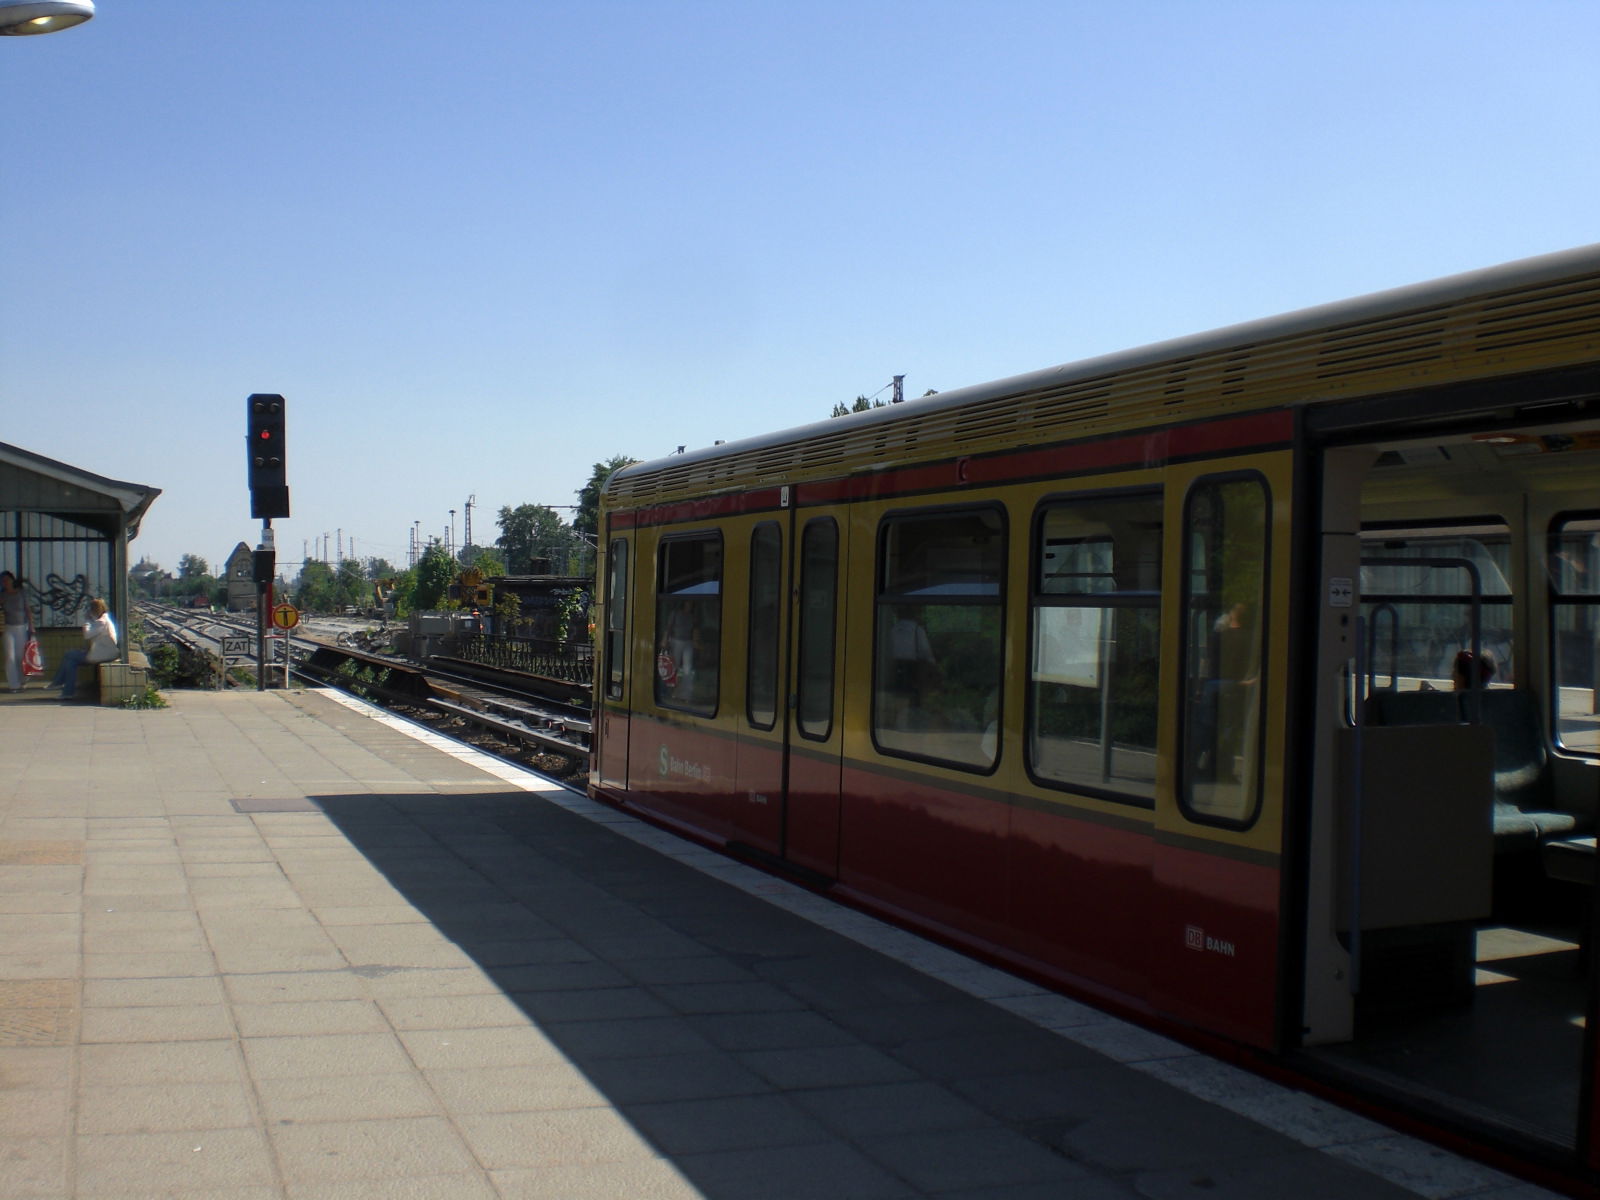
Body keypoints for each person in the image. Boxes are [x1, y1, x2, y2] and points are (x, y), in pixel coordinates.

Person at [50, 598, 118, 699]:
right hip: (104, 652)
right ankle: (63, 688)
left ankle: (61, 686)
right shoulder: (105, 619)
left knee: (70, 656)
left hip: (102, 654)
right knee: (70, 659)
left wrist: (87, 621)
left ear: (94, 610)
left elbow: (87, 634)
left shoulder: (101, 622)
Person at [1, 571, 28, 693]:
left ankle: (23, 680)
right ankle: (14, 685)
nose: (5, 582)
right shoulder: (2, 595)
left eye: (7, 579)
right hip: (8, 628)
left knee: (20, 655)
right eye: (3, 580)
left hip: (21, 627)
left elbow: (28, 609)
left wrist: (31, 626)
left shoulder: (21, 593)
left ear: (12, 580)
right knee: (10, 657)